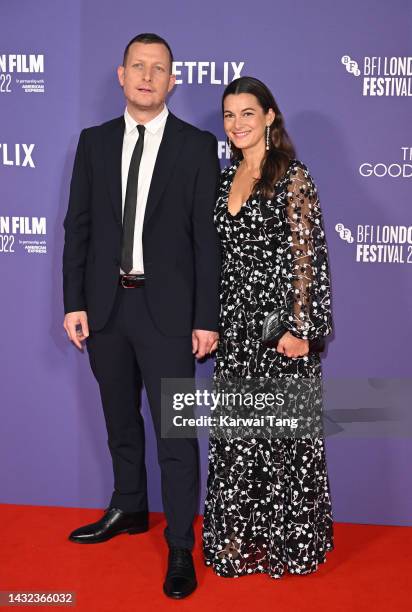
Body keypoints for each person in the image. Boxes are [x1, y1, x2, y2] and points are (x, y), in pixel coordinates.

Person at [62, 33, 220, 599]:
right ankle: (128, 508)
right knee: (120, 422)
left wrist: (207, 317)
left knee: (175, 435)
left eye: (159, 69)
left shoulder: (196, 145)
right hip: (106, 310)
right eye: (139, 67)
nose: (148, 77)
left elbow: (207, 239)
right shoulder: (94, 142)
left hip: (170, 314)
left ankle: (180, 543)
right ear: (121, 75)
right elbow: (77, 227)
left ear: (173, 80)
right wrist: (73, 302)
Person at [202, 76, 334, 578]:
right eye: (230, 115)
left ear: (270, 117)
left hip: (277, 330)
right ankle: (238, 544)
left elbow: (307, 257)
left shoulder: (293, 177)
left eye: (248, 114)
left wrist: (298, 327)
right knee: (238, 442)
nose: (238, 124)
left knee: (284, 444)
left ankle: (289, 545)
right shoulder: (223, 179)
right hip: (236, 329)